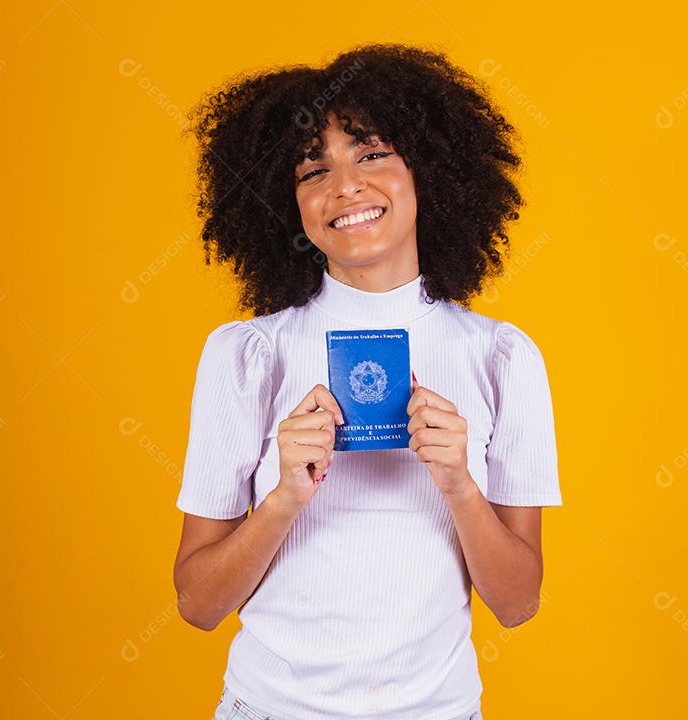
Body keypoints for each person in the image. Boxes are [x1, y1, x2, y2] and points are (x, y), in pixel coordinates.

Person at [172, 43, 563, 720]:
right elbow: (198, 605)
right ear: (284, 203)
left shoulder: (503, 357)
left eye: (372, 153)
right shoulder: (244, 356)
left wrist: (459, 485)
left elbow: (518, 603)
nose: (345, 187)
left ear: (427, 172)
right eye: (312, 170)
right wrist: (285, 498)